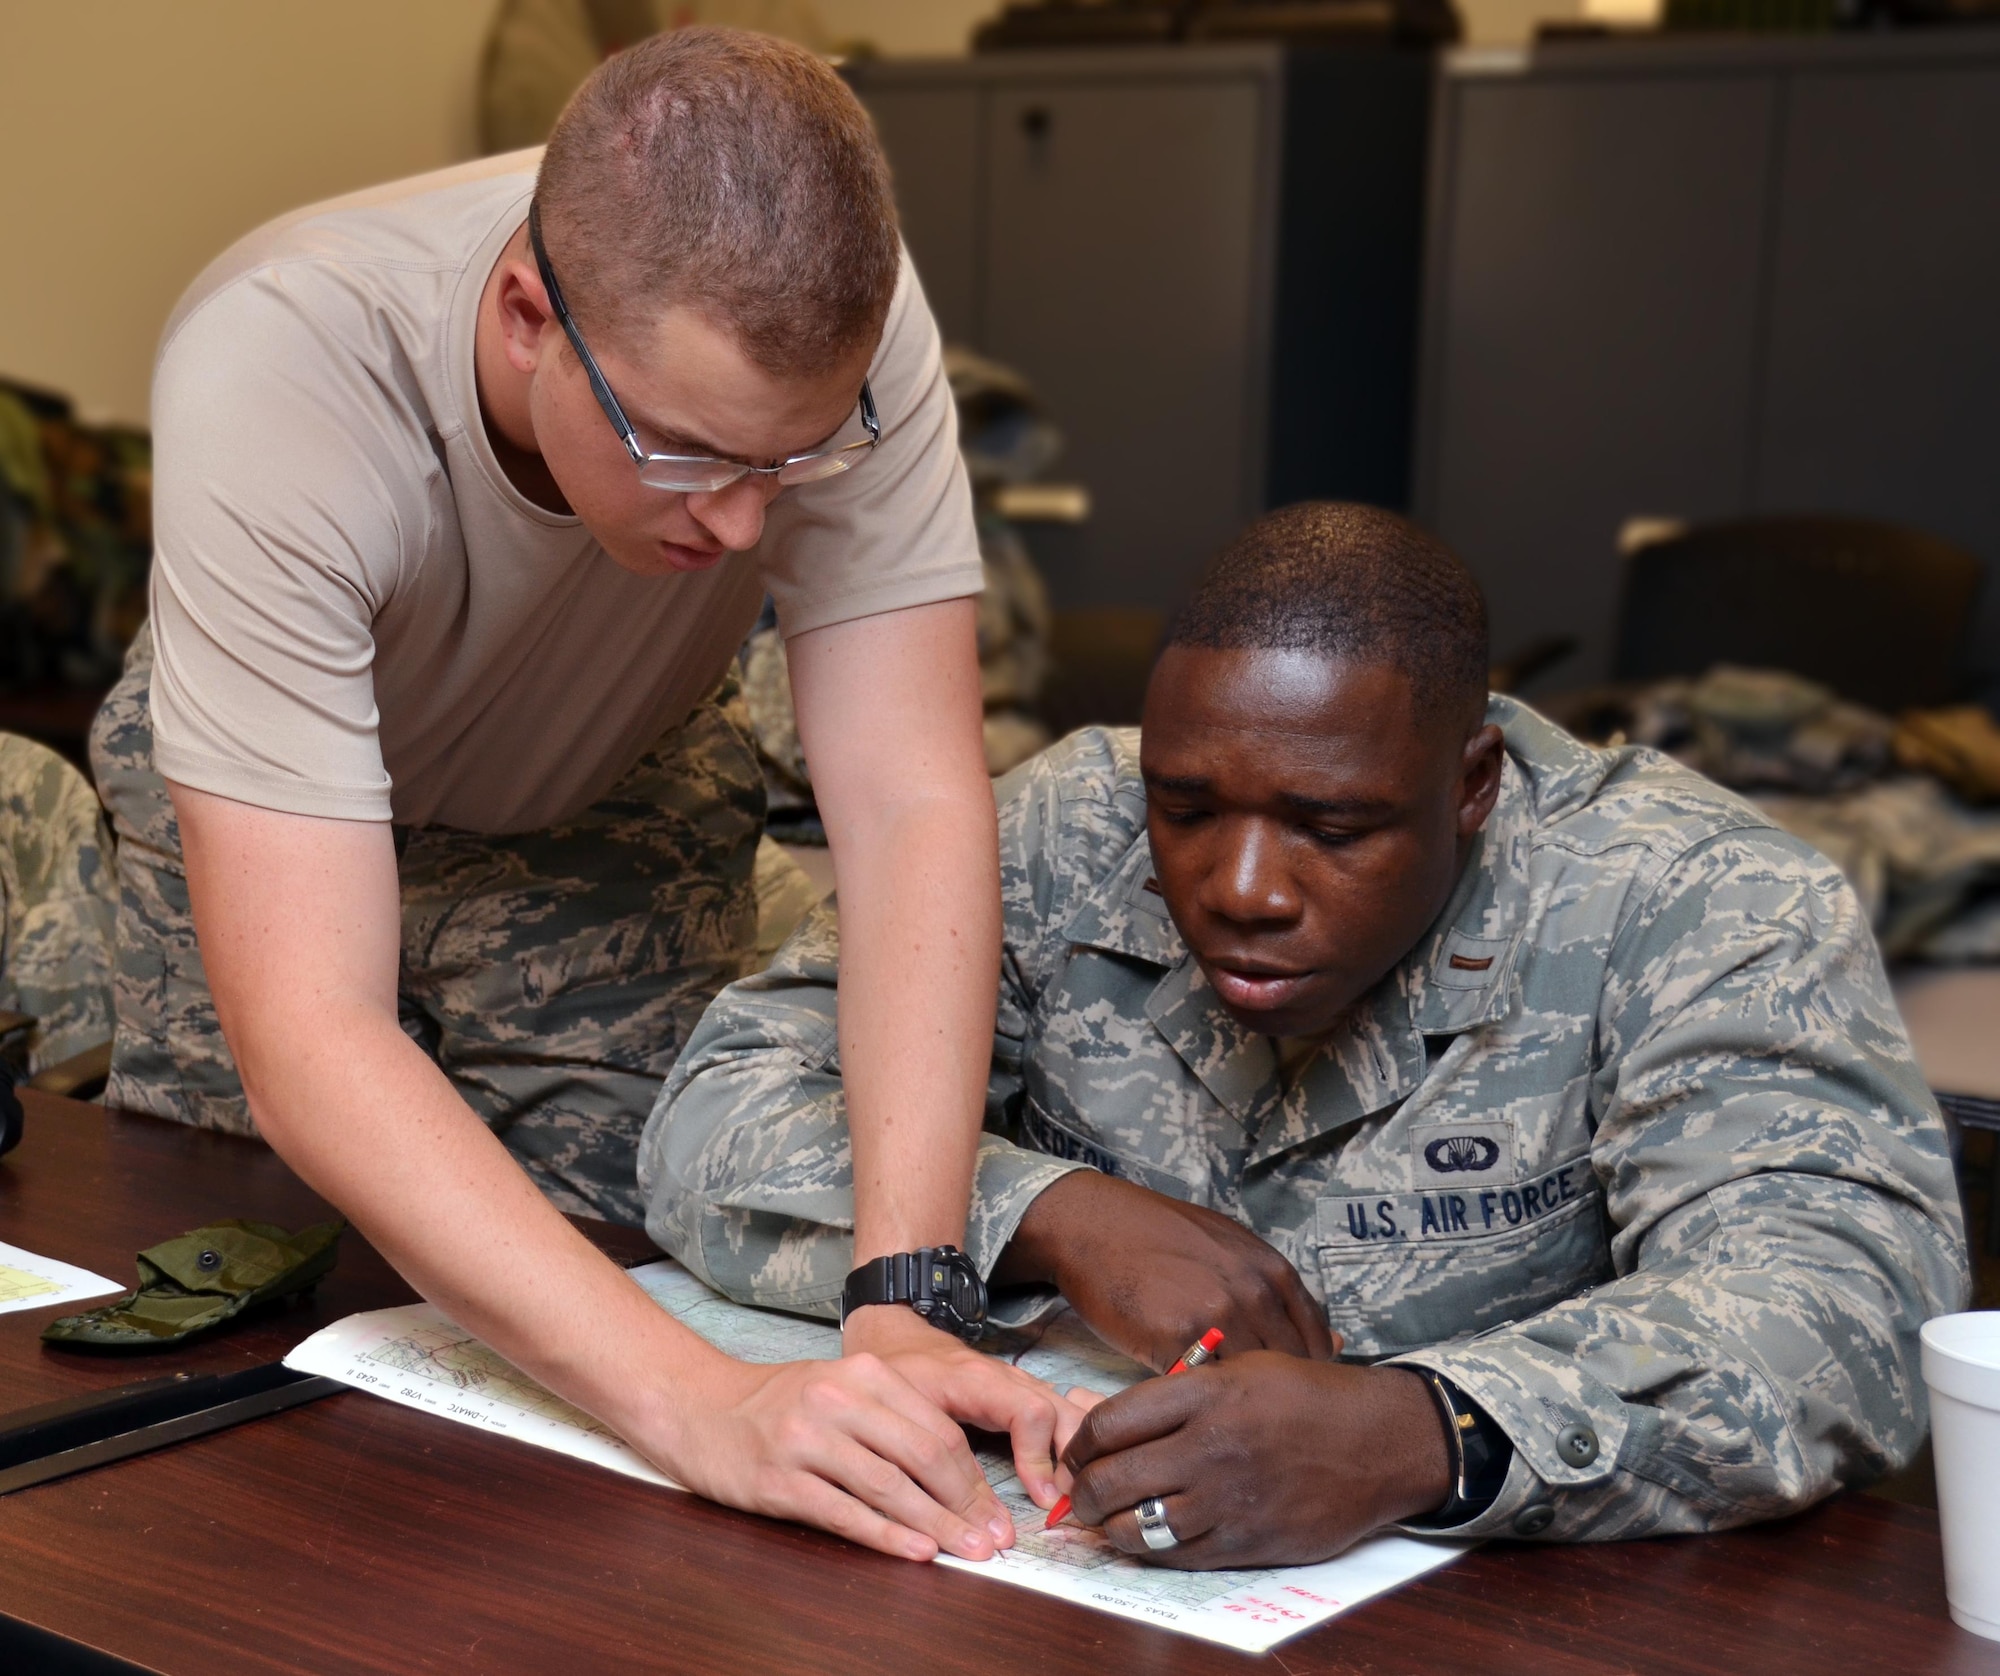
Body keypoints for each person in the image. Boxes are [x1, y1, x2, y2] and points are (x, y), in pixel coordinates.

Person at [89, 28, 1076, 1563]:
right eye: (687, 453)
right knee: (249, 1311)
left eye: (792, 462)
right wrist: (705, 1407)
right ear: (528, 315)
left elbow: (907, 807)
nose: (748, 523)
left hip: (613, 768)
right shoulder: (281, 354)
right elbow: (309, 1032)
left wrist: (904, 1297)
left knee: (603, 1312)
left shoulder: (837, 339)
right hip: (280, 789)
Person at [644, 500, 1970, 1568]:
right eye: (1188, 809)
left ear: (1471, 788)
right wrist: (1044, 1212)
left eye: (1334, 829)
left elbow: (1843, 1310)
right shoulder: (1068, 826)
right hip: (1033, 1573)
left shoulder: (1697, 902)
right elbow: (715, 1111)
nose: (1244, 889)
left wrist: (1423, 1433)